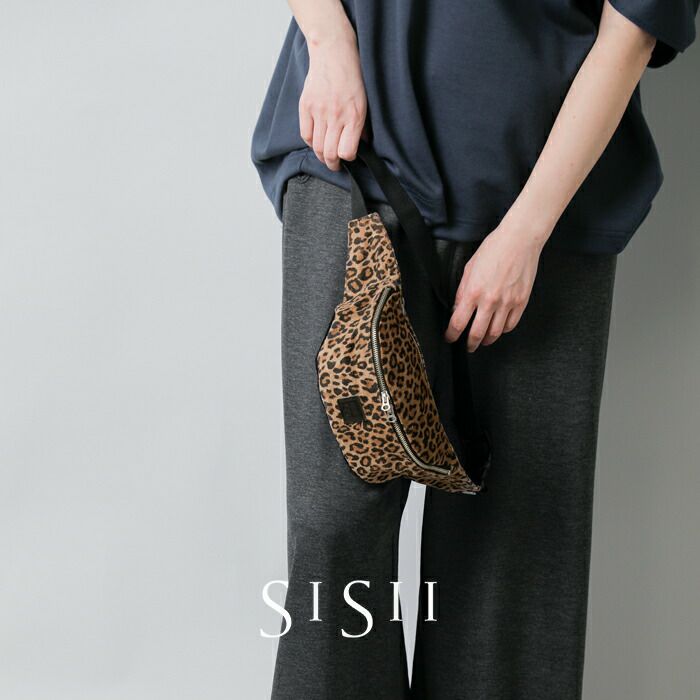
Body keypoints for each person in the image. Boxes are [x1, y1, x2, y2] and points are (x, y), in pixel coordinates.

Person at [251, 1, 698, 698]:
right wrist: (328, 41)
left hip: (546, 199)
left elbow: (633, 29)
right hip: (356, 158)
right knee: (332, 531)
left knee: (511, 562)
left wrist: (526, 234)